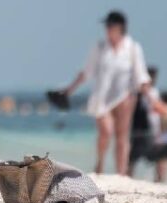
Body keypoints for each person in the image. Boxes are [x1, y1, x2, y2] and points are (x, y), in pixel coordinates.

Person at [58, 10, 152, 175]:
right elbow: (86, 72)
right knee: (106, 131)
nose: (107, 29)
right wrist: (70, 89)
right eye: (106, 26)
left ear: (120, 27)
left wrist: (150, 97)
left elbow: (141, 75)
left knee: (122, 137)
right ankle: (100, 164)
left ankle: (121, 173)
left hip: (125, 97)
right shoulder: (100, 47)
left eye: (110, 25)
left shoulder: (132, 48)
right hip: (101, 98)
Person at [128, 66, 162, 178]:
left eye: (154, 77)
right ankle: (128, 177)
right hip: (139, 128)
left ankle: (159, 179)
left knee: (158, 155)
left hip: (153, 128)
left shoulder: (154, 92)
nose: (153, 79)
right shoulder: (137, 93)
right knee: (133, 156)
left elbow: (157, 109)